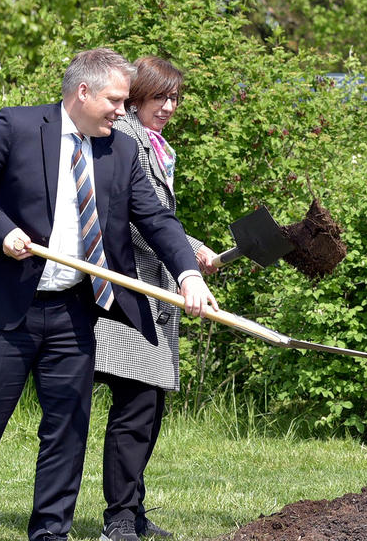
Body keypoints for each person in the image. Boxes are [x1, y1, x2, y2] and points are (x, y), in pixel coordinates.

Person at [0, 48, 219, 541]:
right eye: (115, 99)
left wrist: (187, 275)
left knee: (67, 430)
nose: (122, 109)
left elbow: (157, 221)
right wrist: (0, 230)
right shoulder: (17, 128)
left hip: (73, 311)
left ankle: (51, 532)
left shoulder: (123, 151)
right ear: (83, 92)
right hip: (3, 312)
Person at [94, 56, 218, 541]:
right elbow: (132, 217)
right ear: (136, 96)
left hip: (158, 290)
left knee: (146, 406)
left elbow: (160, 217)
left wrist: (193, 249)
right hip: (125, 292)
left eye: (173, 99)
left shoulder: (156, 145)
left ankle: (132, 511)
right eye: (157, 98)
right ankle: (120, 519)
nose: (167, 107)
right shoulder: (124, 138)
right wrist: (186, 253)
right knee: (136, 403)